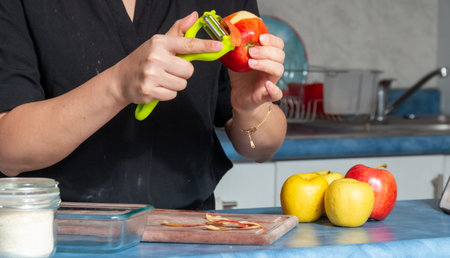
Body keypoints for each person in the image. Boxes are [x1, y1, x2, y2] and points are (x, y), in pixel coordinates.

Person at [0, 0, 286, 210]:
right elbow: (8, 152)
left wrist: (250, 108)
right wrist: (118, 86)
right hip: (56, 236)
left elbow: (262, 148)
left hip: (188, 238)